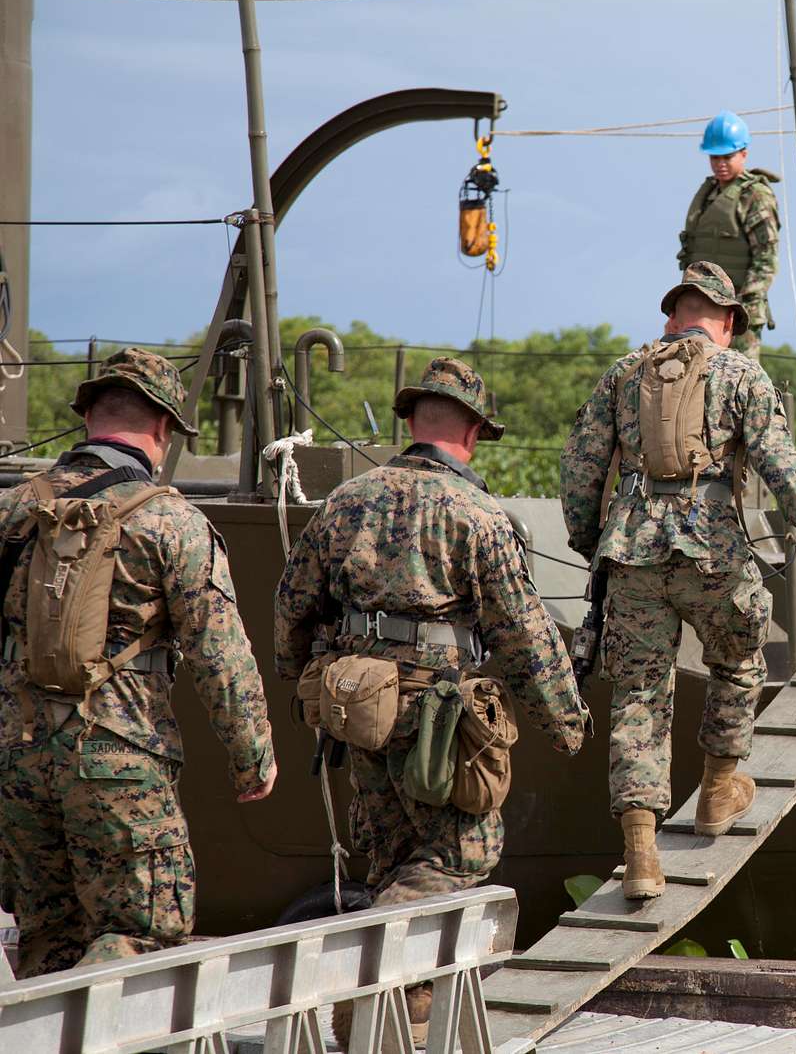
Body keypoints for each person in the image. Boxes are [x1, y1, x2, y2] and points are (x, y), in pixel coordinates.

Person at [275, 357, 588, 1041]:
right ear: (473, 432)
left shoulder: (345, 501)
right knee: (460, 849)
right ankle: (370, 986)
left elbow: (293, 605)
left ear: (412, 420)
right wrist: (565, 722)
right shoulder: (477, 513)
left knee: (390, 852)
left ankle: (405, 1007)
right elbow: (524, 633)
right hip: (438, 720)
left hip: (357, 709)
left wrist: (300, 682)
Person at [560, 262, 796, 900]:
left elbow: (581, 466)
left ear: (673, 317)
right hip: (713, 549)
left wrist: (591, 541)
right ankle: (718, 790)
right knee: (740, 661)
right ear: (728, 323)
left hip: (633, 553)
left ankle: (640, 853)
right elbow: (779, 459)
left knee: (637, 695)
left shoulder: (625, 373)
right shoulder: (742, 371)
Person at [0, 348, 276, 978]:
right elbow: (220, 655)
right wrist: (252, 755)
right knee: (140, 933)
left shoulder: (13, 509)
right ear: (161, 428)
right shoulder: (172, 521)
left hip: (15, 754)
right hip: (117, 757)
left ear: (89, 415)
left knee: (49, 935)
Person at [678, 110, 781, 357]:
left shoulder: (754, 196)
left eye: (727, 157)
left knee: (741, 380)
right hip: (700, 306)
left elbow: (766, 259)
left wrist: (744, 304)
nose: (720, 164)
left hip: (738, 309)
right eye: (715, 157)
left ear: (743, 154)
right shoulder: (708, 195)